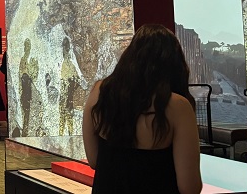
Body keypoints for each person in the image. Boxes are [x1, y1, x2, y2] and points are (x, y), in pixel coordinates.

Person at [82, 24, 202, 194]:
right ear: (174, 65)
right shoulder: (178, 107)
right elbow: (189, 188)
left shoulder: (99, 93)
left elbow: (95, 160)